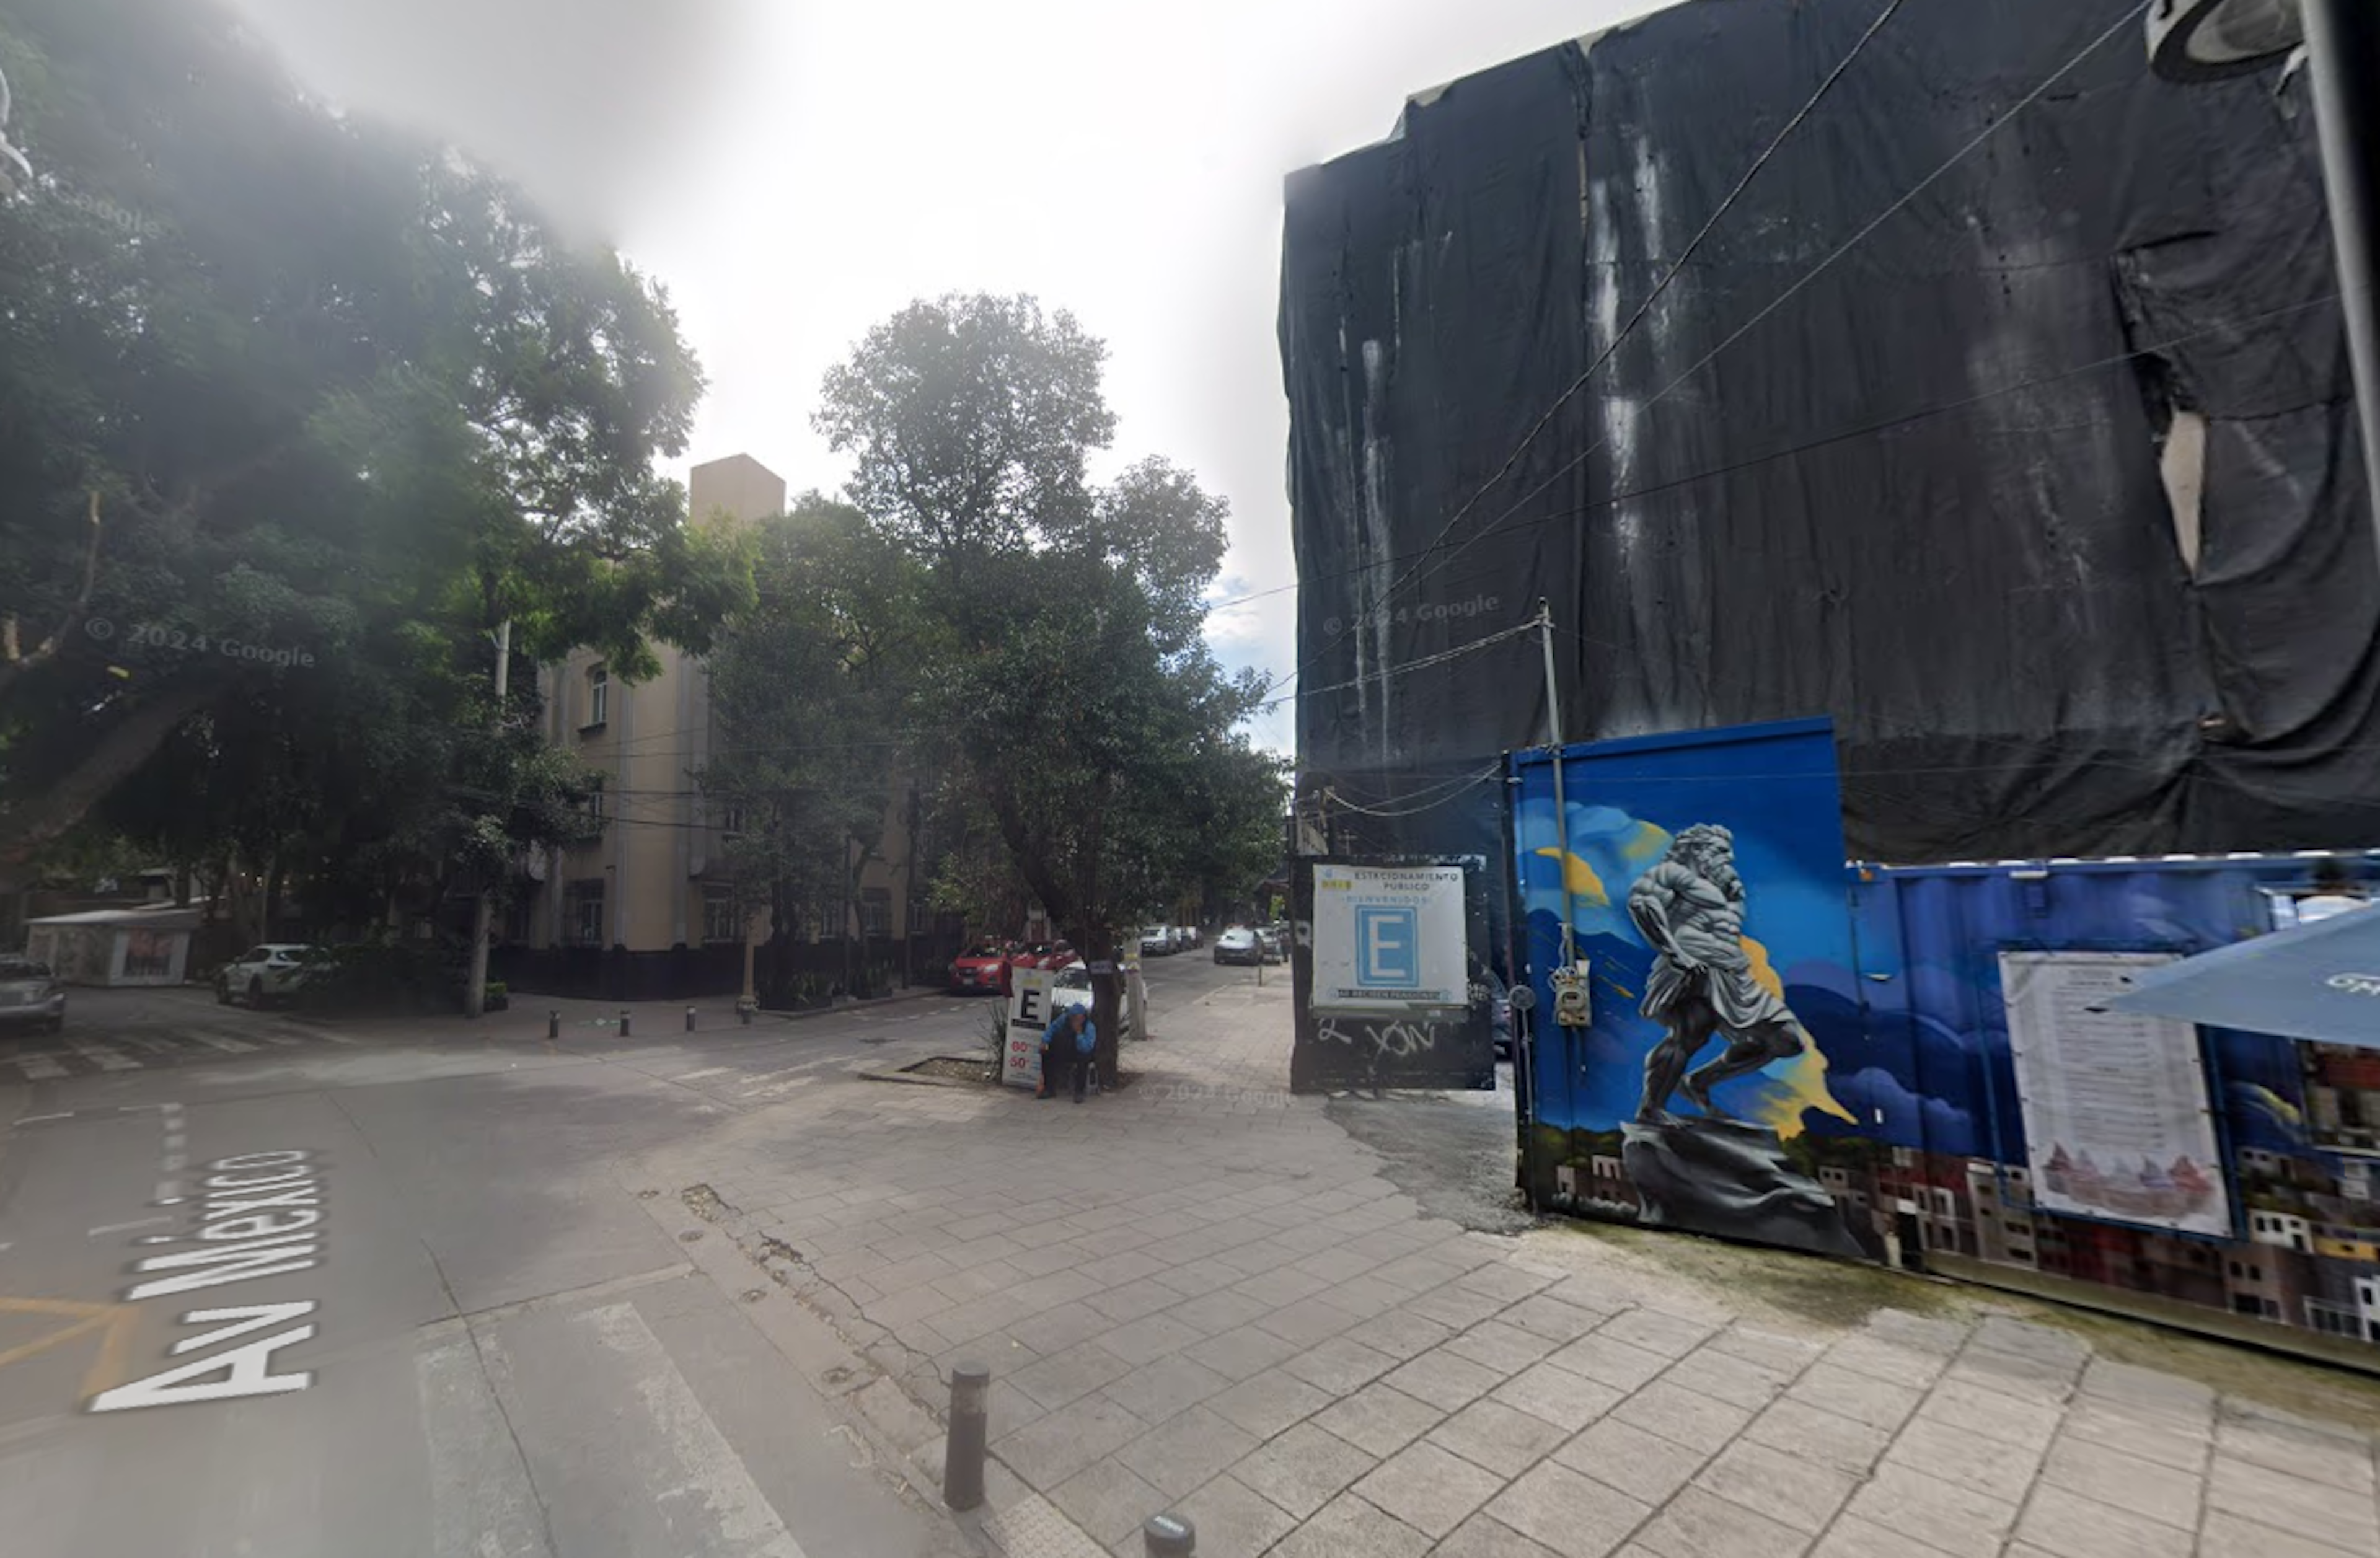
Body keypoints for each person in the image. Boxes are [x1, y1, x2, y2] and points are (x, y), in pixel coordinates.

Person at [1038, 1006, 1097, 1103]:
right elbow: (1053, 1028)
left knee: (1083, 1061)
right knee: (1047, 1053)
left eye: (1076, 1018)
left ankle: (1079, 1092)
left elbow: (1086, 1048)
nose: (1073, 1020)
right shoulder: (1064, 1019)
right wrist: (1045, 1041)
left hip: (1082, 1052)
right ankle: (1049, 1088)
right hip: (1067, 1049)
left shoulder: (1089, 1028)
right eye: (1072, 1018)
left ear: (1082, 1018)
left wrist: (1079, 1034)